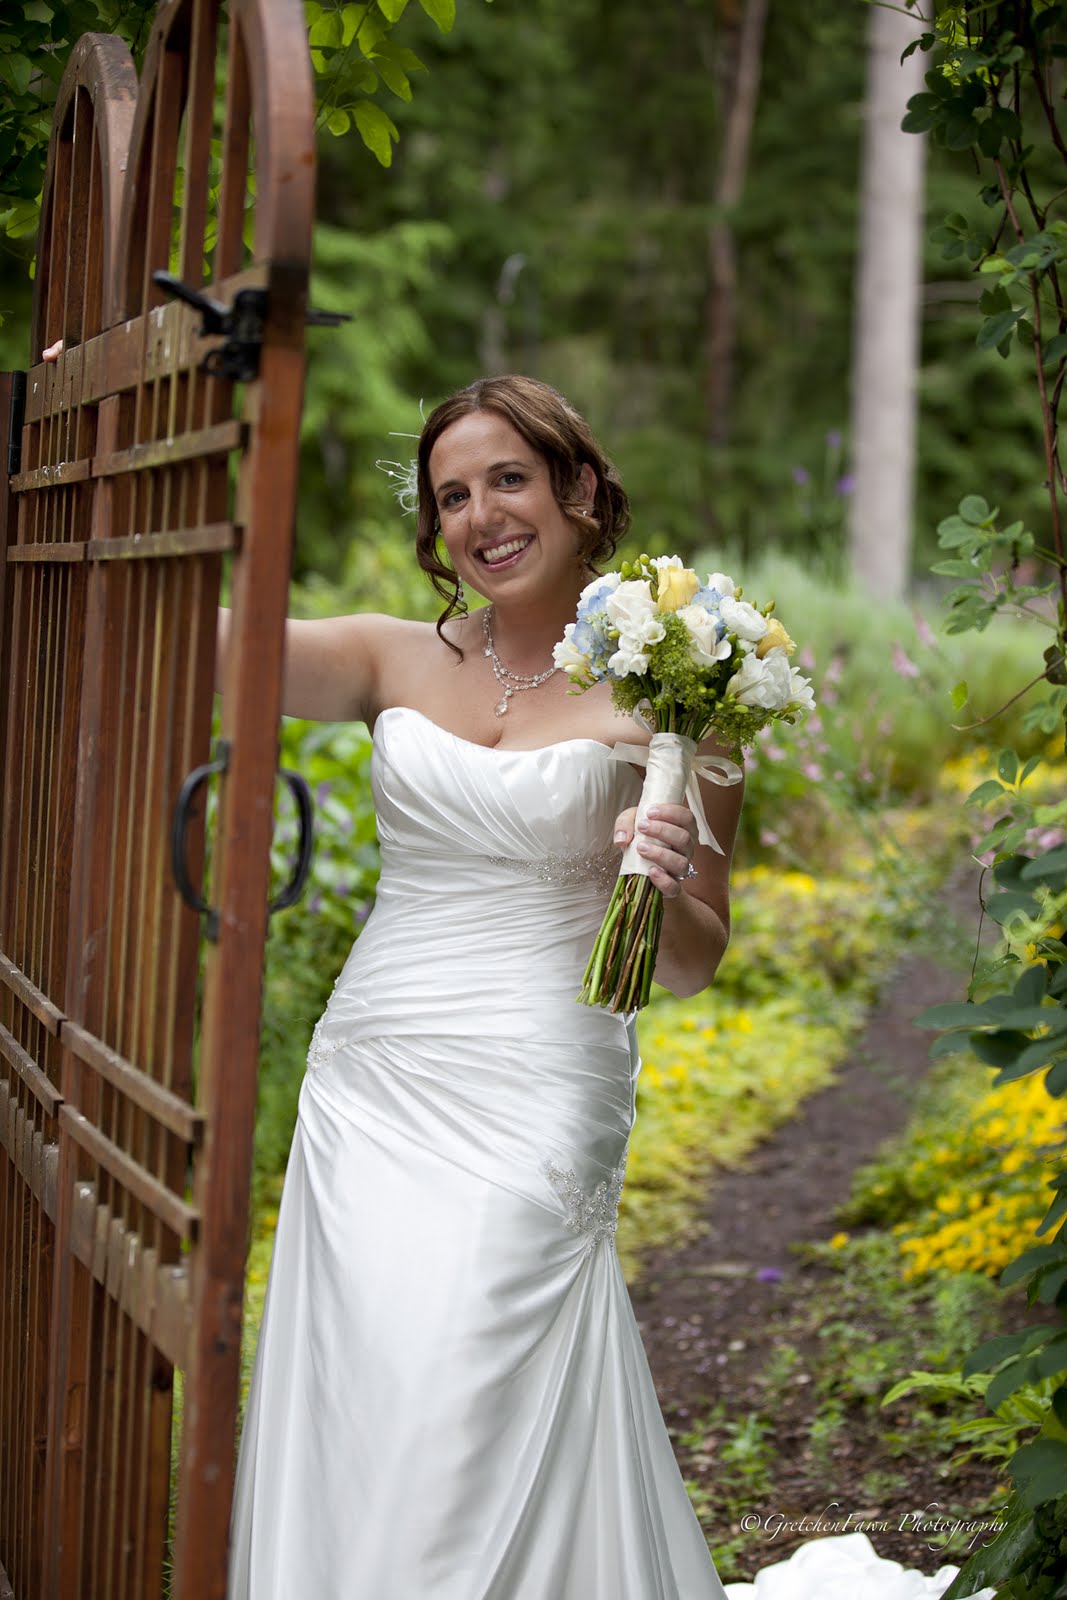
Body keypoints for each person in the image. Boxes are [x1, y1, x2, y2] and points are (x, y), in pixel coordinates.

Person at [222, 375, 742, 1598]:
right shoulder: (385, 654)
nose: (480, 515)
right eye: (451, 495)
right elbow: (201, 636)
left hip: (541, 1077)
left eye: (507, 478)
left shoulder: (675, 687)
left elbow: (692, 960)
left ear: (576, 487)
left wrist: (659, 880)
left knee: (473, 1360)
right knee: (369, 1375)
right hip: (373, 1076)